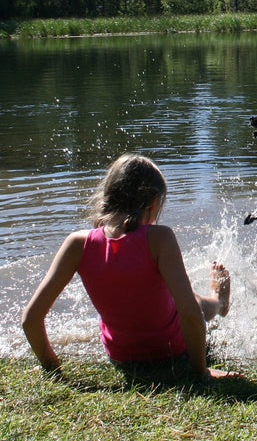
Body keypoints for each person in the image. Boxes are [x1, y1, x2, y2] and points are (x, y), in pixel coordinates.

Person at [22, 153, 235, 381]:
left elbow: (30, 319)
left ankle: (215, 302)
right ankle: (218, 301)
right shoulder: (160, 238)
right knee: (192, 300)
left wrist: (53, 369)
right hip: (173, 351)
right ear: (153, 204)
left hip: (121, 357)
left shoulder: (76, 244)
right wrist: (201, 372)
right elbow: (190, 314)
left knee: (169, 296)